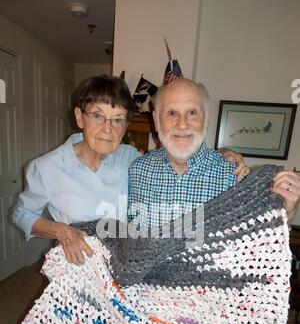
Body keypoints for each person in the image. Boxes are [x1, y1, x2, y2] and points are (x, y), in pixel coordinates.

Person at [12, 75, 247, 265]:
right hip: (78, 266)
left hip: (124, 269)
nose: (107, 129)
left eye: (117, 120)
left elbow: (178, 152)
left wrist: (224, 153)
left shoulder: (131, 160)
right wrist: (60, 231)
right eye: (98, 116)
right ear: (79, 117)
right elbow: (21, 214)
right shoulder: (46, 167)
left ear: (125, 126)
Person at [128, 78, 300, 226]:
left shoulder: (235, 176)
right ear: (156, 121)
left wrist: (288, 211)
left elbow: (264, 235)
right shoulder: (136, 171)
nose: (182, 124)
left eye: (192, 113)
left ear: (207, 119)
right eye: (171, 113)